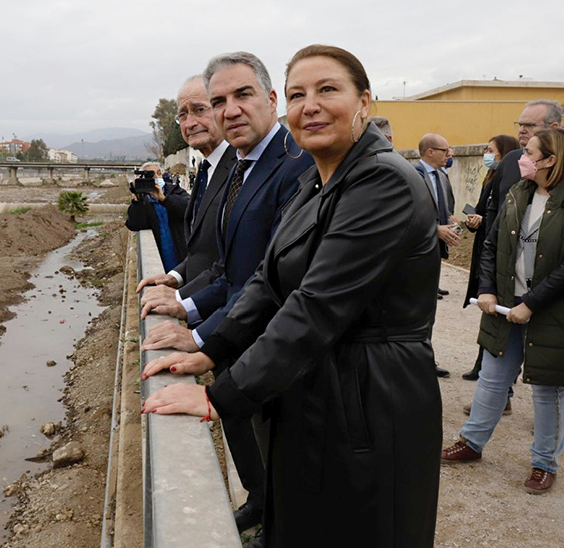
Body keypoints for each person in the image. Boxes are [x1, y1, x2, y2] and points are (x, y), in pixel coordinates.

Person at [142, 44, 442, 547]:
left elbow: (315, 305)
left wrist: (222, 395)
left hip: (371, 399)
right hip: (318, 390)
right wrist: (209, 349)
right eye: (300, 95)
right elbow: (267, 281)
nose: (311, 105)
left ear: (364, 102)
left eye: (328, 90)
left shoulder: (383, 181)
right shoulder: (319, 181)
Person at [140, 52, 313, 543]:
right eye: (219, 101)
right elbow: (223, 265)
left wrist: (200, 338)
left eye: (243, 96)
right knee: (257, 441)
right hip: (241, 333)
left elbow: (271, 279)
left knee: (284, 451)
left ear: (272, 100)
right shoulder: (240, 167)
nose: (230, 110)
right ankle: (264, 509)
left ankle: (276, 522)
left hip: (276, 345)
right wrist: (186, 307)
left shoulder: (295, 166)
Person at [441, 128, 564, 496]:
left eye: (529, 152)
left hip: (552, 312)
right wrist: (488, 288)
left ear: (550, 160)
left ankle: (544, 464)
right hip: (506, 303)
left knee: (547, 389)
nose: (521, 158)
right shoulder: (517, 193)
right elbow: (492, 242)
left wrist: (531, 303)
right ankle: (472, 443)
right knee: (493, 378)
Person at [135, 75, 237, 298]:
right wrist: (175, 277)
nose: (190, 123)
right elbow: (204, 249)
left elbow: (235, 260)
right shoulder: (204, 169)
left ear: (222, 110)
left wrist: (180, 298)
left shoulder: (240, 168)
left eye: (200, 110)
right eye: (183, 115)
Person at [461, 134, 520, 381]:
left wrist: (485, 221)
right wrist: (474, 221)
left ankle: (493, 370)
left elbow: (504, 220)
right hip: (484, 248)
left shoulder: (510, 179)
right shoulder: (490, 178)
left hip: (500, 252)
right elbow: (485, 210)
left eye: (491, 150)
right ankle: (482, 364)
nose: (487, 154)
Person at [414, 133, 458, 378]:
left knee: (429, 310)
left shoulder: (441, 176)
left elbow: (444, 207)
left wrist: (449, 219)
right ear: (430, 151)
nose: (448, 154)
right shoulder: (411, 175)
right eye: (445, 150)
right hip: (415, 253)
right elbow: (406, 215)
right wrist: (434, 229)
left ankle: (425, 359)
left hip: (435, 253)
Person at [125, 161, 189, 271]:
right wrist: (137, 199)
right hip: (159, 258)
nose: (155, 177)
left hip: (183, 254)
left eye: (158, 173)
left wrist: (164, 199)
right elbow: (134, 224)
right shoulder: (144, 200)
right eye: (150, 175)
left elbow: (189, 208)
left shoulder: (174, 191)